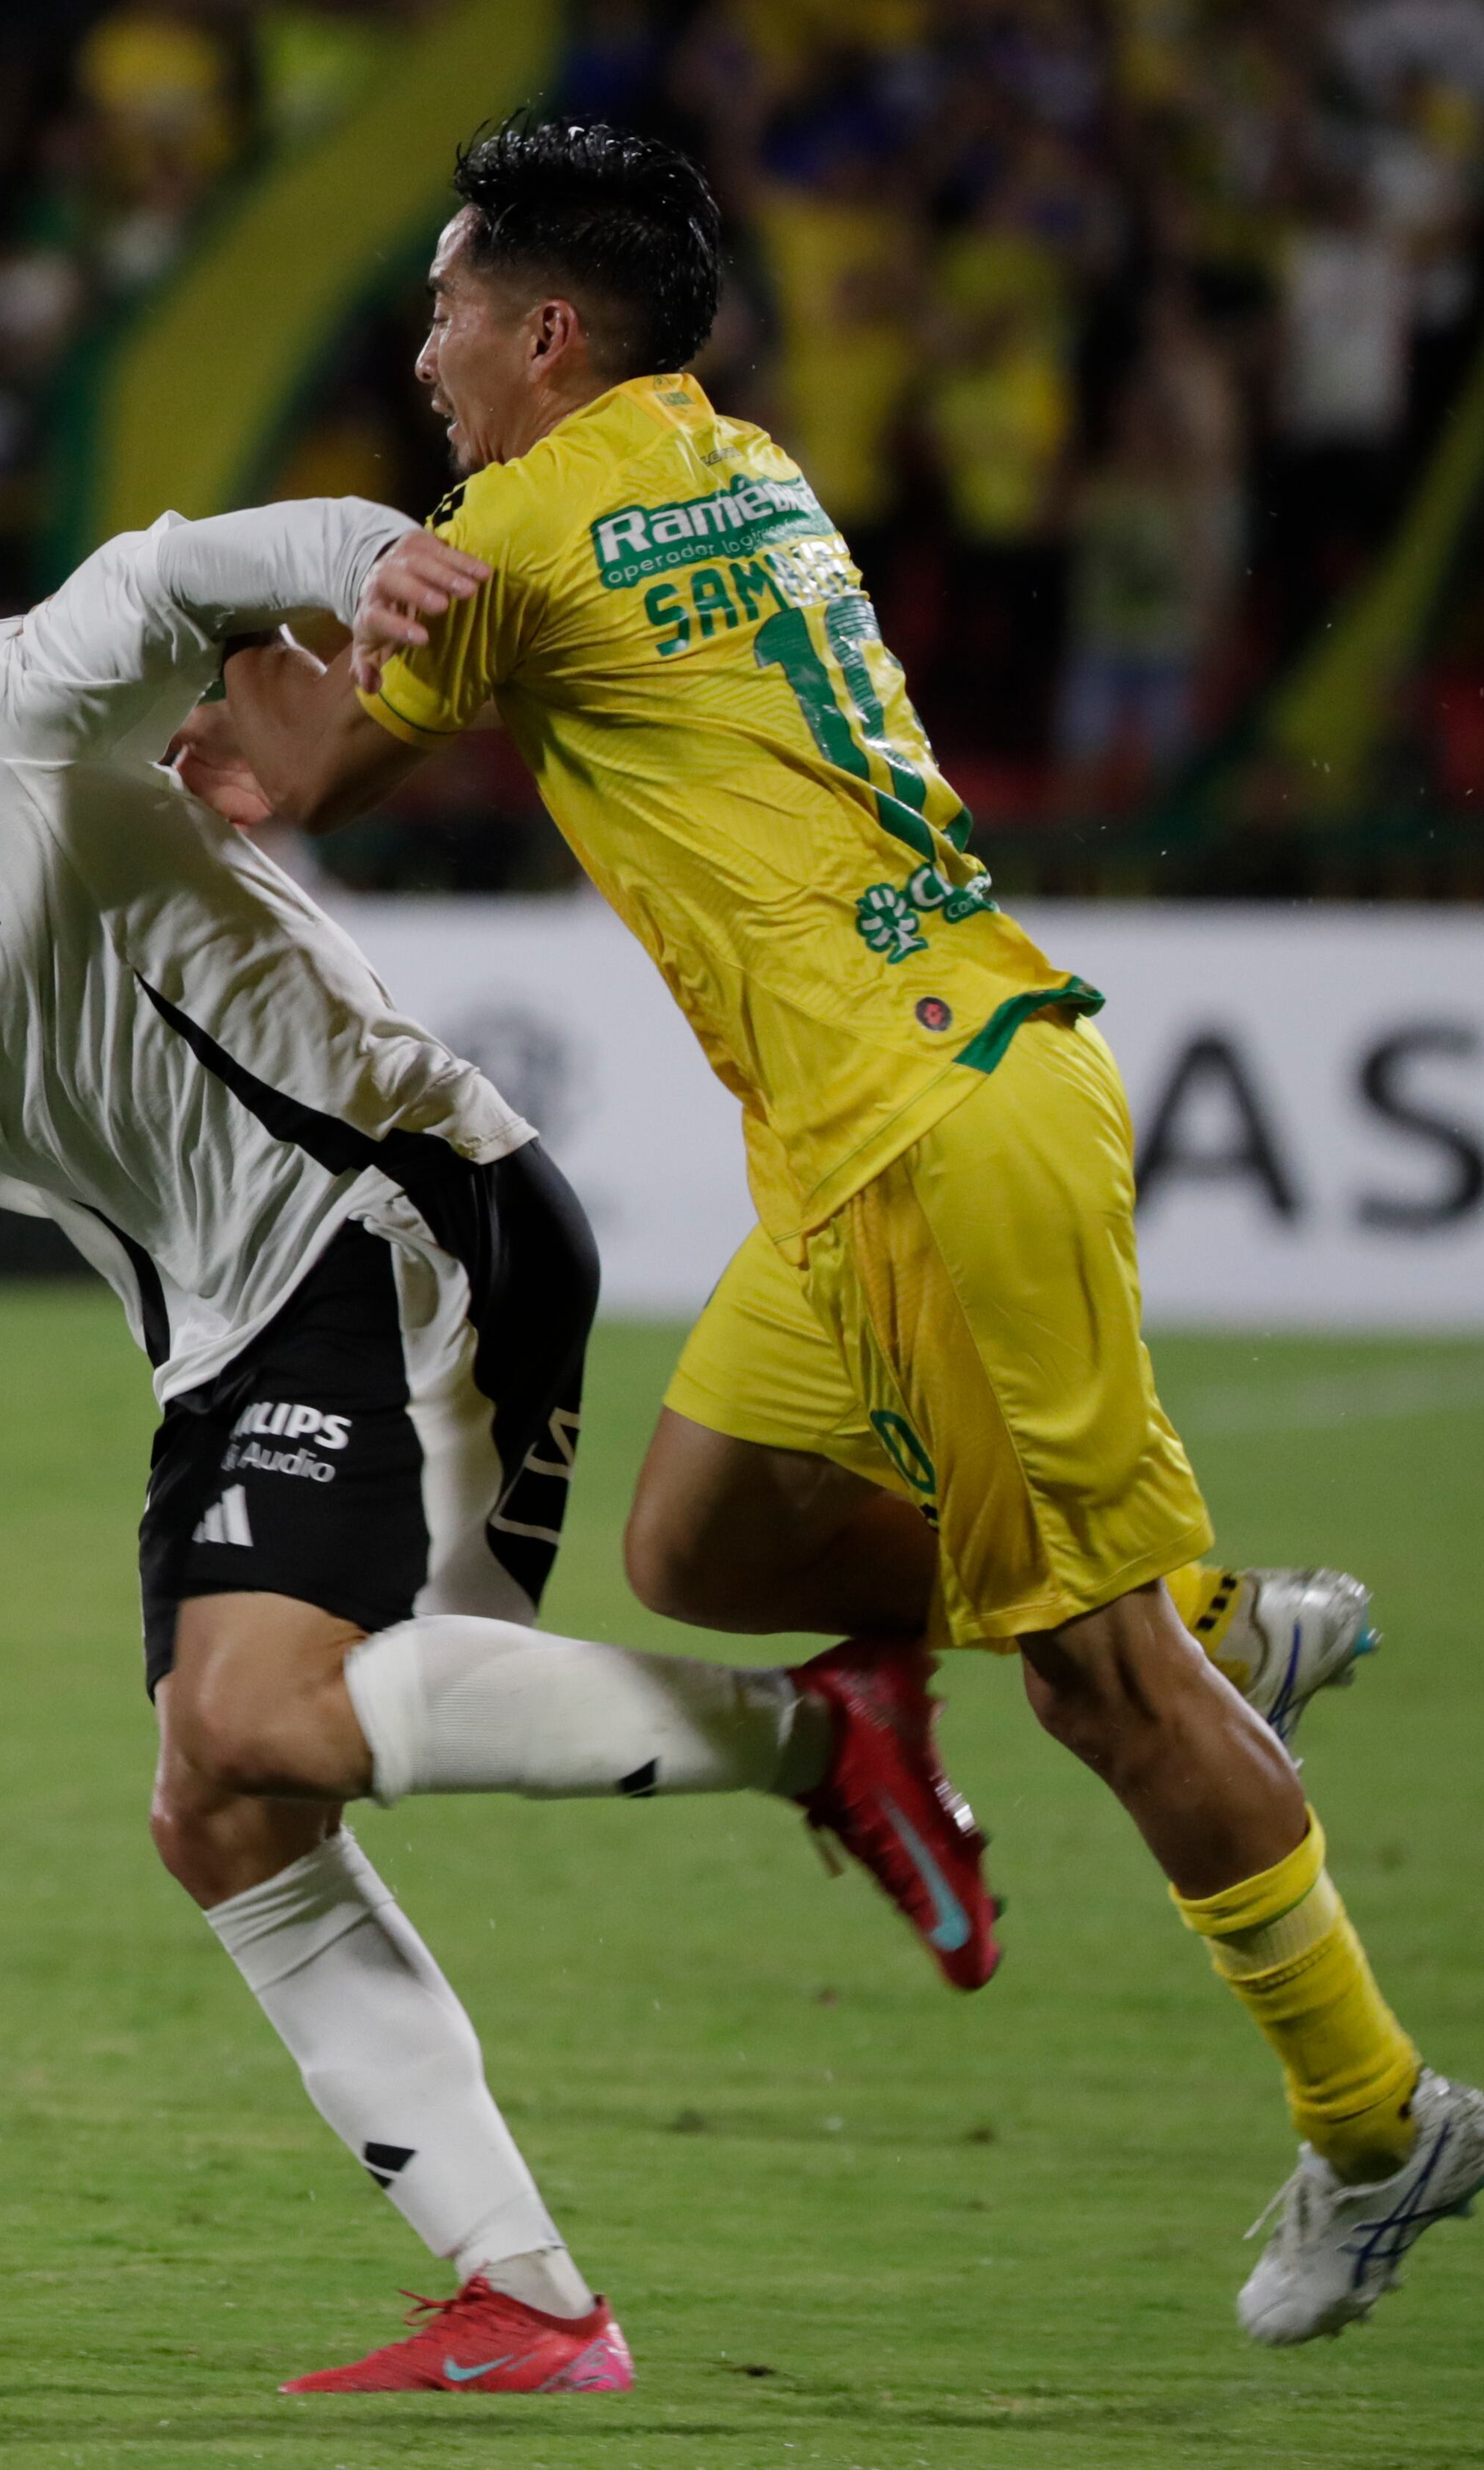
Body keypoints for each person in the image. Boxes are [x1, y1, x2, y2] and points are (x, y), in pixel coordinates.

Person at [0, 541, 1016, 2395]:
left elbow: (160, 580)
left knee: (255, 1710)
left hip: (397, 1205)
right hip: (235, 1336)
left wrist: (383, 560)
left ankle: (838, 1732)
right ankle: (528, 2296)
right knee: (220, 1801)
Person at [172, 116, 1443, 2347]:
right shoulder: (733, 462)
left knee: (1096, 1680)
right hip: (879, 1116)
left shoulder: (527, 522)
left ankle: (1376, 2118)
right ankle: (1222, 1611)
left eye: (454, 302)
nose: (428, 339)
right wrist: (374, 573)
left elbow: (269, 773)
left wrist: (238, 597)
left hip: (933, 1127)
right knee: (710, 1535)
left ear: (546, 330)